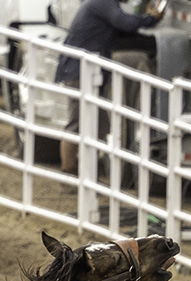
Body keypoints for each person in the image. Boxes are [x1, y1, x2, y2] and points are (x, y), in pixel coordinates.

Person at [54, 0, 163, 177]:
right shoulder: (103, 3)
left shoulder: (100, 4)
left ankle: (86, 172)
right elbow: (126, 23)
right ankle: (68, 172)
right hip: (80, 70)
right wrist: (151, 18)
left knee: (98, 123)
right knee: (78, 121)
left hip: (85, 70)